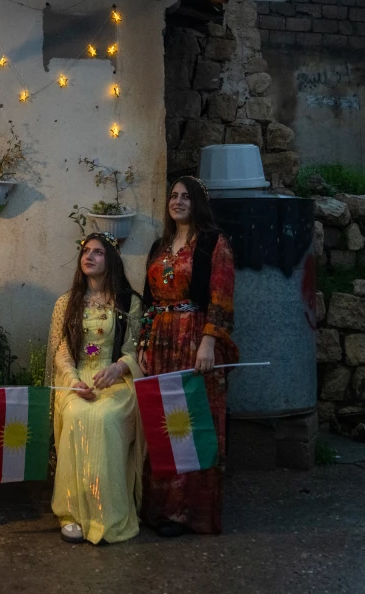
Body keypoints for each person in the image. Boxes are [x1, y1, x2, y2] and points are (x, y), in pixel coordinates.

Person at [138, 175, 238, 537]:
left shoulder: (214, 243)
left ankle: (187, 512)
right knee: (165, 421)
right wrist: (144, 343)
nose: (177, 201)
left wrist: (210, 341)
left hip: (195, 339)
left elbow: (221, 295)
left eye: (185, 197)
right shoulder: (159, 246)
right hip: (162, 341)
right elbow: (148, 302)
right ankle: (161, 509)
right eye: (173, 196)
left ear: (198, 203)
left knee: (193, 421)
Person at [45, 232, 145, 545]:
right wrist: (73, 382)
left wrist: (117, 367)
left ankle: (108, 513)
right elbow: (61, 349)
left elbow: (135, 348)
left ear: (111, 259)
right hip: (77, 379)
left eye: (98, 252)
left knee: (106, 418)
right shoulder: (66, 302)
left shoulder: (130, 302)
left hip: (116, 380)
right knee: (75, 413)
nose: (89, 256)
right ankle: (72, 513)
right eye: (85, 251)